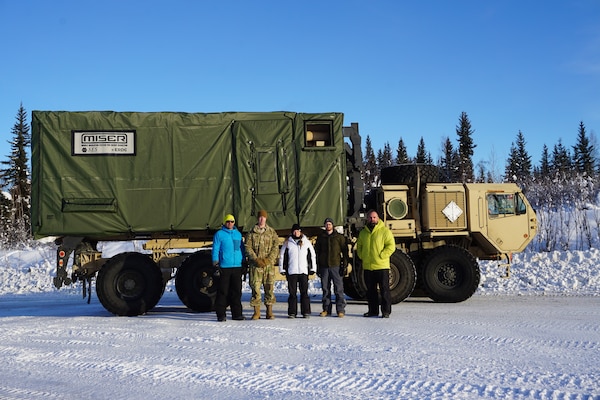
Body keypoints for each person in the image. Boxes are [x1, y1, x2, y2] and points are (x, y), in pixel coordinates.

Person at [356, 209, 396, 318]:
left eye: (374, 217)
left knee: (384, 290)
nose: (372, 219)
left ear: (378, 218)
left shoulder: (384, 231)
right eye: (370, 217)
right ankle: (373, 311)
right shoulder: (363, 233)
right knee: (371, 291)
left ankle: (386, 311)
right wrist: (362, 256)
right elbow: (359, 247)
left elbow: (391, 246)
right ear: (367, 219)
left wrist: (382, 256)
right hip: (368, 267)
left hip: (381, 266)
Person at [245, 209, 280, 319]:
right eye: (260, 217)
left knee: (269, 287)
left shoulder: (271, 232)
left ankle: (269, 311)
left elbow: (276, 247)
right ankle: (257, 312)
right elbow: (247, 247)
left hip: (268, 266)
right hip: (256, 266)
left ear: (266, 219)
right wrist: (256, 259)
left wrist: (268, 260)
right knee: (255, 287)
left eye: (263, 217)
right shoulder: (251, 232)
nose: (261, 219)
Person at [211, 214, 246, 322]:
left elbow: (241, 249)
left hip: (237, 267)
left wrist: (244, 262)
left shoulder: (238, 235)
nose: (229, 223)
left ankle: (237, 314)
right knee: (223, 291)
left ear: (234, 222)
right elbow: (215, 249)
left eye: (231, 221)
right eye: (228, 221)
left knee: (236, 291)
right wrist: (215, 263)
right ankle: (221, 314)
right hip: (224, 267)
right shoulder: (219, 234)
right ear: (224, 223)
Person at [279, 224, 317, 318]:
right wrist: (282, 268)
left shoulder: (306, 242)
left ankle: (306, 312)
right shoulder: (288, 243)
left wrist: (313, 268)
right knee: (292, 293)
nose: (296, 233)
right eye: (295, 231)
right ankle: (292, 312)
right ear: (292, 232)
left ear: (300, 232)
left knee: (304, 292)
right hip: (292, 271)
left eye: (298, 231)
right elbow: (282, 256)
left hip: (303, 271)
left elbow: (312, 255)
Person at [314, 217, 349, 318]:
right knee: (325, 289)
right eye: (326, 224)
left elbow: (345, 252)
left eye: (329, 224)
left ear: (332, 225)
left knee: (338, 289)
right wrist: (318, 266)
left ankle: (340, 310)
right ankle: (326, 309)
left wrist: (344, 264)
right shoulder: (321, 238)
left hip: (336, 266)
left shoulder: (339, 237)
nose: (328, 226)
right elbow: (317, 252)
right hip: (324, 267)